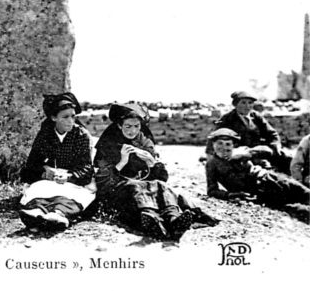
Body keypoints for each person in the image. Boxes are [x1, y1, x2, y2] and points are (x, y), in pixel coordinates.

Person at [94, 102, 210, 240]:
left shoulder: (144, 142)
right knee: (135, 186)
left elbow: (161, 178)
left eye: (136, 126)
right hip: (120, 191)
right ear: (119, 126)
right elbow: (102, 181)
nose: (132, 131)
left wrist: (151, 162)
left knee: (161, 186)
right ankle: (152, 220)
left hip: (146, 187)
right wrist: (121, 162)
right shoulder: (108, 144)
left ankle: (174, 220)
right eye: (128, 126)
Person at [18, 92, 95, 230]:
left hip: (73, 181)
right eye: (65, 117)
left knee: (72, 195)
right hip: (50, 179)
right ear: (54, 118)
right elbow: (32, 164)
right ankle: (38, 212)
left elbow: (86, 167)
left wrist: (70, 176)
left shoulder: (81, 135)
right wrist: (45, 170)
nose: (70, 121)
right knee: (39, 189)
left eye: (73, 116)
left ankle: (59, 214)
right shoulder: (45, 135)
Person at [206, 128, 310, 214]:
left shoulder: (241, 152)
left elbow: (268, 151)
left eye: (228, 144)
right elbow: (212, 190)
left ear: (233, 145)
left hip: (273, 179)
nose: (223, 148)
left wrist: (247, 154)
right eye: (219, 143)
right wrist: (230, 195)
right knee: (294, 208)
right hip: (259, 193)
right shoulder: (212, 164)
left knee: (306, 194)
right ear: (213, 144)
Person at [204, 90, 292, 174]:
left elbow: (271, 133)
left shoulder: (256, 116)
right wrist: (210, 159)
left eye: (250, 103)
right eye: (243, 102)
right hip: (240, 153)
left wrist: (276, 145)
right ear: (235, 104)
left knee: (286, 158)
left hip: (258, 151)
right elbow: (213, 136)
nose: (247, 106)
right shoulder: (228, 118)